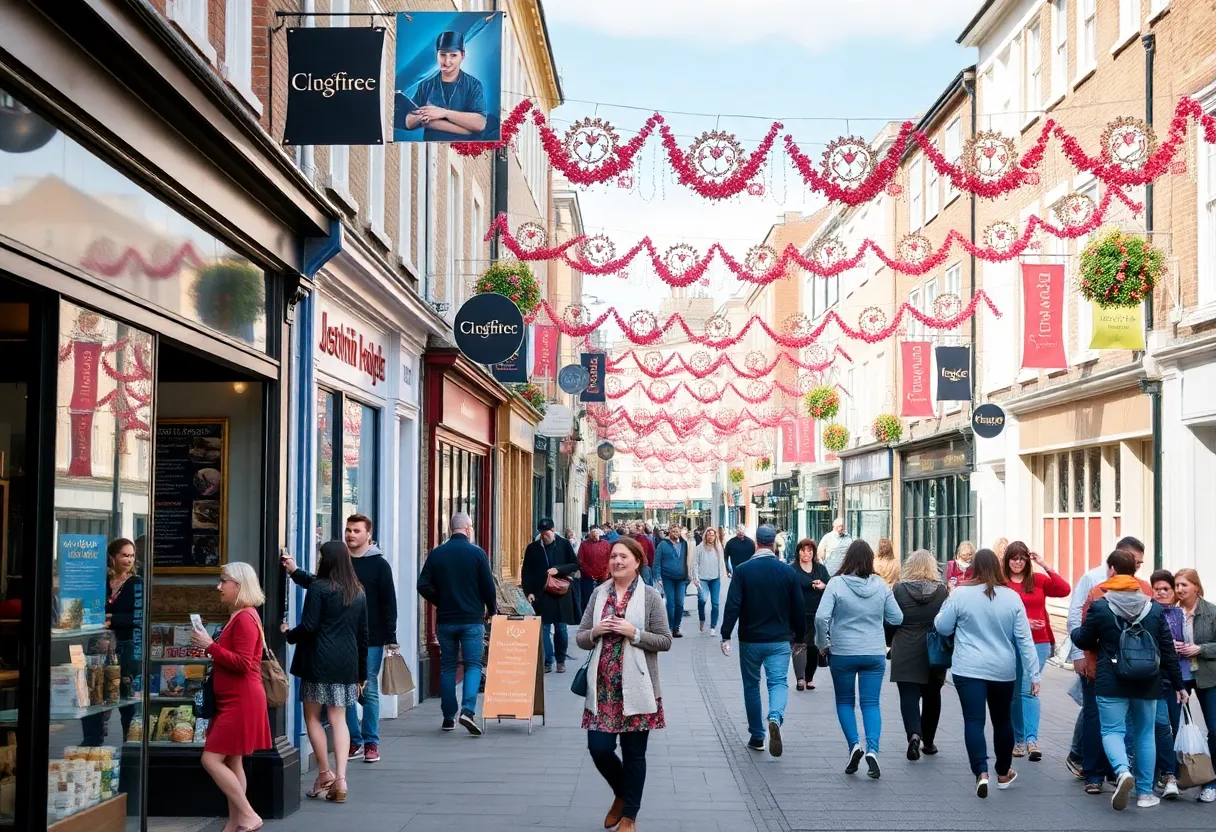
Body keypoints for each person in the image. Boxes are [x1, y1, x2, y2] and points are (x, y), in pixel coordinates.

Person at [1070, 549, 1187, 810]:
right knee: (1145, 734)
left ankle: (1122, 771)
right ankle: (1145, 793)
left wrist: (1077, 631)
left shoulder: (1101, 606)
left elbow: (1084, 640)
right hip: (1147, 680)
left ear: (1112, 570)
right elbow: (1167, 649)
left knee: (1112, 730)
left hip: (1110, 680)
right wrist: (1179, 685)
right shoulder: (1153, 607)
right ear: (1134, 572)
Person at [576, 537, 672, 832]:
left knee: (634, 755)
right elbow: (580, 637)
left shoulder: (650, 597)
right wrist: (596, 631)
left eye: (623, 557)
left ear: (637, 562)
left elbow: (665, 640)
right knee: (599, 749)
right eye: (613, 557)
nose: (616, 561)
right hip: (602, 689)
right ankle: (621, 792)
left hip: (637, 688)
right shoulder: (599, 594)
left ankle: (629, 817)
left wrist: (635, 633)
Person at [283, 514, 396, 763]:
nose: (350, 534)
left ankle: (371, 742)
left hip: (370, 638)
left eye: (356, 530)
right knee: (345, 694)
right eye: (348, 530)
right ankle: (354, 741)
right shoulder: (340, 561)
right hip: (342, 641)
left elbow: (389, 603)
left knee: (367, 690)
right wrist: (295, 572)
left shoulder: (379, 565)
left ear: (368, 534)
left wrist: (391, 638)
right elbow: (322, 585)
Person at [935, 548, 1039, 798]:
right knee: (1002, 721)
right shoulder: (1011, 597)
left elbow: (942, 626)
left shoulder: (961, 594)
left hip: (968, 668)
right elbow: (1025, 640)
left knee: (974, 720)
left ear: (974, 568)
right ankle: (1003, 772)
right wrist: (1034, 675)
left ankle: (981, 772)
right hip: (1002, 670)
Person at [191, 562, 272, 828]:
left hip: (241, 700)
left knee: (210, 759)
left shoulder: (245, 618)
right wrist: (211, 647)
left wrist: (210, 646)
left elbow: (244, 663)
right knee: (233, 760)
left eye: (224, 581)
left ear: (238, 585)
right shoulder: (241, 616)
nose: (219, 587)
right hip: (232, 699)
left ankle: (248, 814)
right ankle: (235, 824)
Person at [815, 539, 903, 778]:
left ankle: (854, 745)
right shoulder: (880, 585)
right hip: (873, 652)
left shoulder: (836, 584)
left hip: (843, 652)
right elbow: (897, 617)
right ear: (870, 560)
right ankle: (873, 750)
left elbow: (821, 618)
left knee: (845, 702)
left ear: (848, 559)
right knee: (871, 703)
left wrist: (823, 644)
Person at [1070, 536, 1147, 793]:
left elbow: (1084, 631)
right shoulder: (1143, 592)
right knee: (1118, 721)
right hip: (1134, 668)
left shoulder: (1101, 592)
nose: (1138, 566)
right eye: (1136, 562)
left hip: (1105, 666)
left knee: (1103, 720)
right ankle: (1118, 774)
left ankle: (1101, 773)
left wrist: (1079, 643)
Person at [721, 525, 805, 757]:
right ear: (774, 544)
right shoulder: (787, 572)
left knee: (751, 686)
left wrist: (726, 634)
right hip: (779, 639)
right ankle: (775, 717)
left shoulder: (743, 571)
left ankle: (757, 736)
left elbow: (733, 604)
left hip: (751, 639)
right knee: (778, 682)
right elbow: (798, 607)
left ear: (756, 542)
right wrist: (800, 637)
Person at [417, 512, 497, 734]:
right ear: (468, 529)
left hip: (446, 620)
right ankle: (467, 711)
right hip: (471, 619)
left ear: (450, 529)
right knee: (473, 664)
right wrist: (492, 610)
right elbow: (488, 587)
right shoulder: (477, 553)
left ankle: (448, 717)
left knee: (448, 666)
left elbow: (422, 584)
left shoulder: (437, 554)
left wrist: (440, 600)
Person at [1002, 541, 1071, 761]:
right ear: (1007, 560)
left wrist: (1045, 565)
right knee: (1015, 694)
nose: (1017, 562)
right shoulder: (1001, 583)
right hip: (1010, 644)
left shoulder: (1038, 580)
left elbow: (1064, 589)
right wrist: (1023, 624)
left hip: (1038, 643)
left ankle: (1031, 740)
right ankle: (1019, 740)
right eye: (1013, 558)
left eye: (1022, 558)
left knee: (1028, 689)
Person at [82, 538, 143, 746]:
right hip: (98, 645)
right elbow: (88, 608)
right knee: (94, 693)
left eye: (132, 556)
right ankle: (92, 743)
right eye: (124, 555)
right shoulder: (100, 582)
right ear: (112, 557)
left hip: (126, 645)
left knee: (127, 697)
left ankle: (130, 745)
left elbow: (140, 616)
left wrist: (112, 619)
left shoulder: (137, 583)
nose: (129, 560)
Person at [890, 549, 948, 760]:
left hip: (905, 647)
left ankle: (914, 735)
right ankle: (929, 742)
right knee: (933, 695)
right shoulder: (941, 591)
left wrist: (889, 642)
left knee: (909, 696)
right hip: (934, 651)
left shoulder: (899, 590)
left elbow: (891, 619)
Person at [1174, 568, 1216, 802]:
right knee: (1175, 726)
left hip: (1208, 676)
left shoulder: (1211, 612)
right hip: (1180, 675)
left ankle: (1211, 782)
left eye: (1184, 585)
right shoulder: (1172, 612)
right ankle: (1175, 777)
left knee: (1214, 729)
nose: (1179, 589)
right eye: (1177, 585)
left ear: (1196, 587)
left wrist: (1201, 649)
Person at [402, 31, 488, 141]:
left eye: (453, 55)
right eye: (442, 55)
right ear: (437, 54)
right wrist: (466, 128)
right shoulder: (426, 85)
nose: (447, 62)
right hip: (432, 146)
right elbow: (409, 121)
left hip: (462, 147)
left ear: (462, 55)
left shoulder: (474, 85)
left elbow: (480, 124)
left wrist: (443, 113)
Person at [522, 518, 581, 672]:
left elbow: (575, 564)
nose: (544, 536)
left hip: (561, 592)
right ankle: (548, 660)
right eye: (541, 533)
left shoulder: (564, 544)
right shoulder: (533, 548)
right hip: (542, 592)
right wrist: (529, 592)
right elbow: (526, 572)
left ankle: (561, 660)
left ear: (553, 531)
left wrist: (558, 570)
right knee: (544, 628)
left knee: (561, 628)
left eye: (547, 533)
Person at [1149, 569, 1184, 798]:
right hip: (1156, 678)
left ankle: (1172, 774)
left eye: (1165, 589)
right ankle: (1162, 775)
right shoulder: (1149, 612)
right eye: (1157, 589)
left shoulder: (1180, 614)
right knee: (1159, 727)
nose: (1161, 593)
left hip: (1177, 678)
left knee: (1174, 727)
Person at [791, 539, 830, 691]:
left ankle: (809, 678)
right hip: (798, 613)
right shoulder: (792, 569)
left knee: (813, 646)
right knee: (799, 643)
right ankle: (800, 678)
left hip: (816, 613)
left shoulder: (820, 569)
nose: (806, 553)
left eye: (809, 551)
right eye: (803, 550)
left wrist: (823, 586)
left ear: (814, 553)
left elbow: (830, 586)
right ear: (798, 552)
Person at [654, 525, 693, 638]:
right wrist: (658, 577)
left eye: (677, 531)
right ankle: (670, 628)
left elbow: (689, 559)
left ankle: (677, 628)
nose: (676, 533)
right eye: (673, 531)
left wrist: (689, 575)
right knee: (670, 604)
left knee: (680, 604)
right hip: (667, 578)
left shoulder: (684, 544)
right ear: (669, 532)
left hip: (681, 578)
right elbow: (657, 562)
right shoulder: (663, 545)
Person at [692, 526, 727, 635]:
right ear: (705, 536)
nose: (710, 537)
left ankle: (713, 627)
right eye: (709, 535)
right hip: (703, 579)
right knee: (702, 600)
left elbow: (721, 562)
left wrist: (723, 574)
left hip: (715, 579)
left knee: (715, 603)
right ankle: (702, 619)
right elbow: (695, 563)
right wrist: (696, 578)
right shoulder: (699, 548)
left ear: (715, 536)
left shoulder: (718, 547)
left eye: (712, 535)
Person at [578, 527, 613, 612]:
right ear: (589, 534)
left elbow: (610, 559)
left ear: (599, 534)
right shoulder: (584, 544)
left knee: (603, 597)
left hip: (603, 576)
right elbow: (581, 560)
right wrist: (589, 572)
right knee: (588, 598)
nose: (594, 535)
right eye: (592, 533)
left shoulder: (606, 544)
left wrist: (606, 572)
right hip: (588, 576)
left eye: (596, 533)